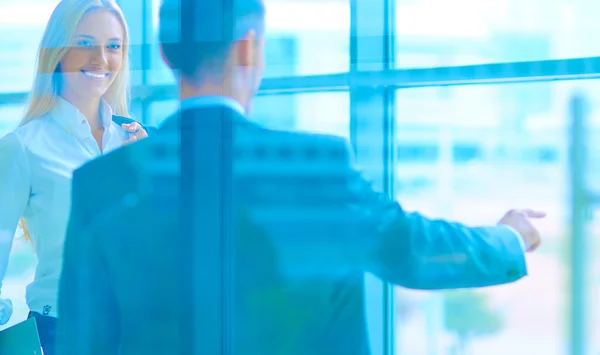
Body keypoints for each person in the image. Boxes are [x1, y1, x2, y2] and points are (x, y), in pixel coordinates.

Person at [56, 0, 545, 354]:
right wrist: (508, 238)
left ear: (166, 54)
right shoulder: (315, 166)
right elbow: (414, 247)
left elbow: (84, 340)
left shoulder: (101, 183)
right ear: (249, 48)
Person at [0, 1, 149, 354]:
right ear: (58, 51)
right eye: (84, 43)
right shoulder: (22, 148)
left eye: (113, 46)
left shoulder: (137, 143)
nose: (101, 58)